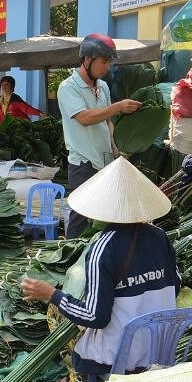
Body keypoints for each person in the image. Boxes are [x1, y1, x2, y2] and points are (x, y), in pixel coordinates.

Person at [21, 156, 180, 382]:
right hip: (160, 345)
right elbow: (176, 285)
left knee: (57, 310)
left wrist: (51, 293)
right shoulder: (160, 237)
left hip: (122, 352)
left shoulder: (102, 248)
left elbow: (95, 317)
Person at [57, 34, 143, 239]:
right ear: (87, 60)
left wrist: (116, 150)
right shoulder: (68, 88)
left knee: (106, 215)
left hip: (105, 163)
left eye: (109, 62)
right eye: (104, 62)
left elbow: (107, 122)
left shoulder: (102, 86)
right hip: (83, 165)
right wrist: (118, 106)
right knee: (81, 217)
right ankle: (69, 262)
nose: (107, 67)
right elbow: (85, 118)